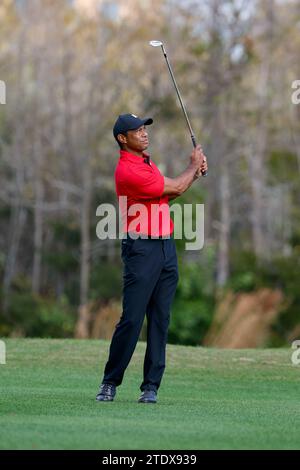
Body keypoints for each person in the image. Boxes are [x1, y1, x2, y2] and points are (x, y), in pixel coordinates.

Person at [96, 113, 207, 404]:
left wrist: (192, 174)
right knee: (132, 319)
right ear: (123, 139)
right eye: (137, 131)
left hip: (165, 249)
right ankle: (110, 382)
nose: (144, 134)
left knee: (160, 319)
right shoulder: (127, 170)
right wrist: (193, 167)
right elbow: (176, 187)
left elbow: (168, 194)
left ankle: (151, 387)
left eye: (145, 129)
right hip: (141, 249)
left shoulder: (146, 162)